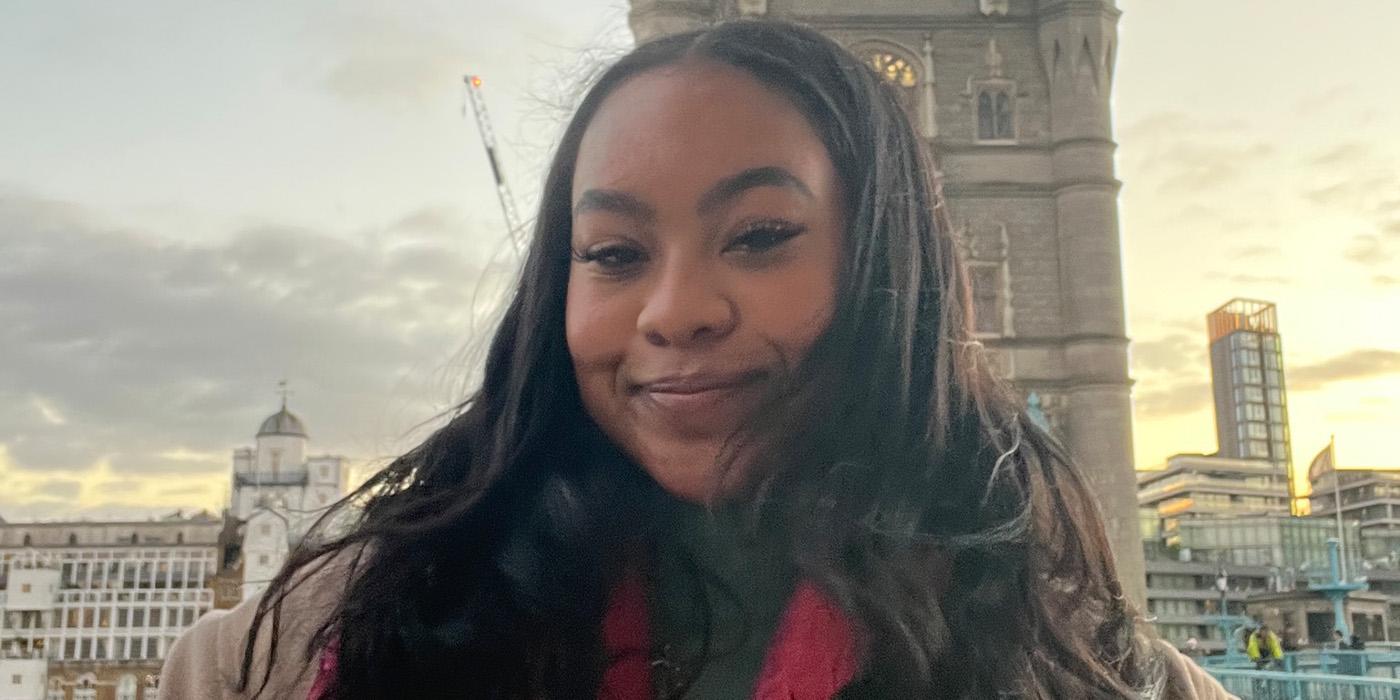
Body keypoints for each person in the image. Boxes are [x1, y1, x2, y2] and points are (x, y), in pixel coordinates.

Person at [159, 19, 1232, 700]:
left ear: (887, 268)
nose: (673, 312)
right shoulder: (276, 663)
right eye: (616, 253)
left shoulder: (1101, 681)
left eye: (759, 236)